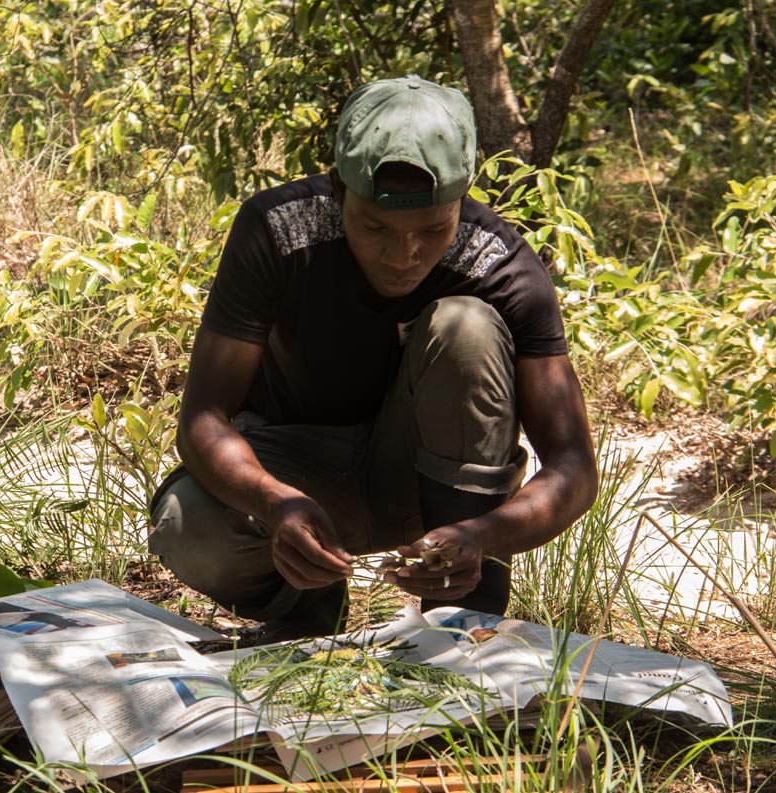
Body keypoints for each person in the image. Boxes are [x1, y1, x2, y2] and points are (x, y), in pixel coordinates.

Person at [147, 76, 599, 642]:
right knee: (186, 525)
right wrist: (276, 502)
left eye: (433, 229)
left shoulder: (500, 265)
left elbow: (574, 466)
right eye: (375, 227)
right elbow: (202, 420)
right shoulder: (276, 231)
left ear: (462, 197)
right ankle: (306, 607)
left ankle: (462, 615)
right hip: (295, 470)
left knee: (465, 324)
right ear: (339, 190)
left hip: (423, 490)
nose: (403, 254)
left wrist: (482, 535)